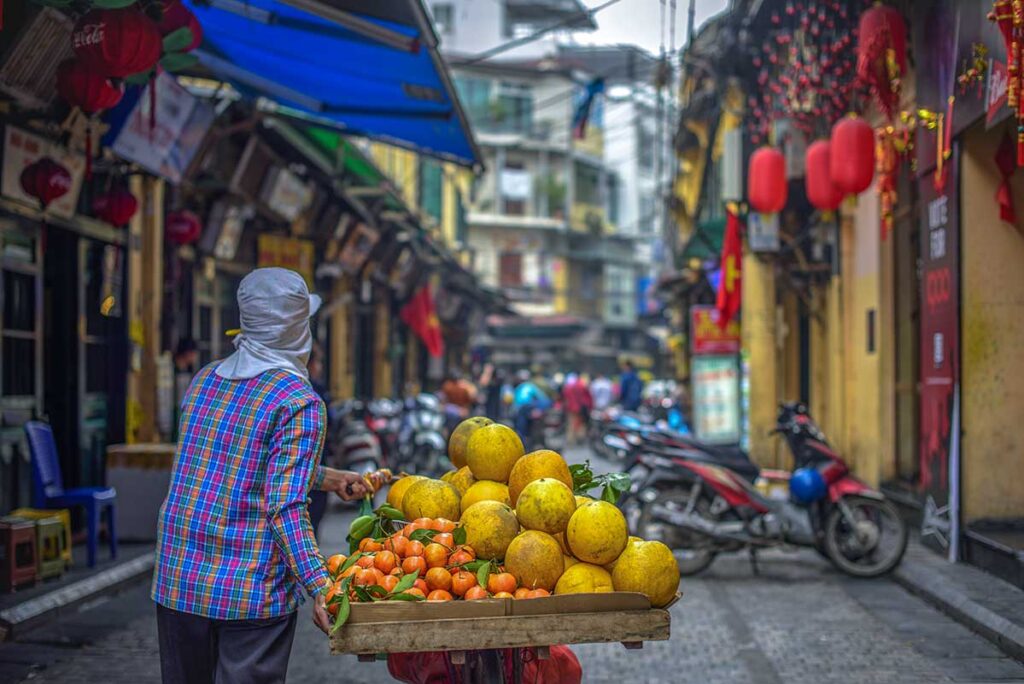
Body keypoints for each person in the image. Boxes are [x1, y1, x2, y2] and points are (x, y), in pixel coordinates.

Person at [152, 268, 370, 684]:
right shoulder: (298, 401)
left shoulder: (205, 380)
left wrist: (326, 477)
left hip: (179, 579)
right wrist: (322, 586)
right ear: (298, 330)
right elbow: (283, 505)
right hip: (248, 591)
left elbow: (232, 464)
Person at [512, 369, 551, 441]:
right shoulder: (530, 387)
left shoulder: (520, 388)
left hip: (524, 410)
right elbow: (544, 399)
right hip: (524, 410)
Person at [562, 373, 593, 445]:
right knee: (581, 424)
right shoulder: (582, 386)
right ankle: (580, 438)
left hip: (571, 408)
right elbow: (588, 398)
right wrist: (590, 407)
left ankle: (571, 440)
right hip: (581, 408)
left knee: (571, 424)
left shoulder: (568, 387)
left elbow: (565, 397)